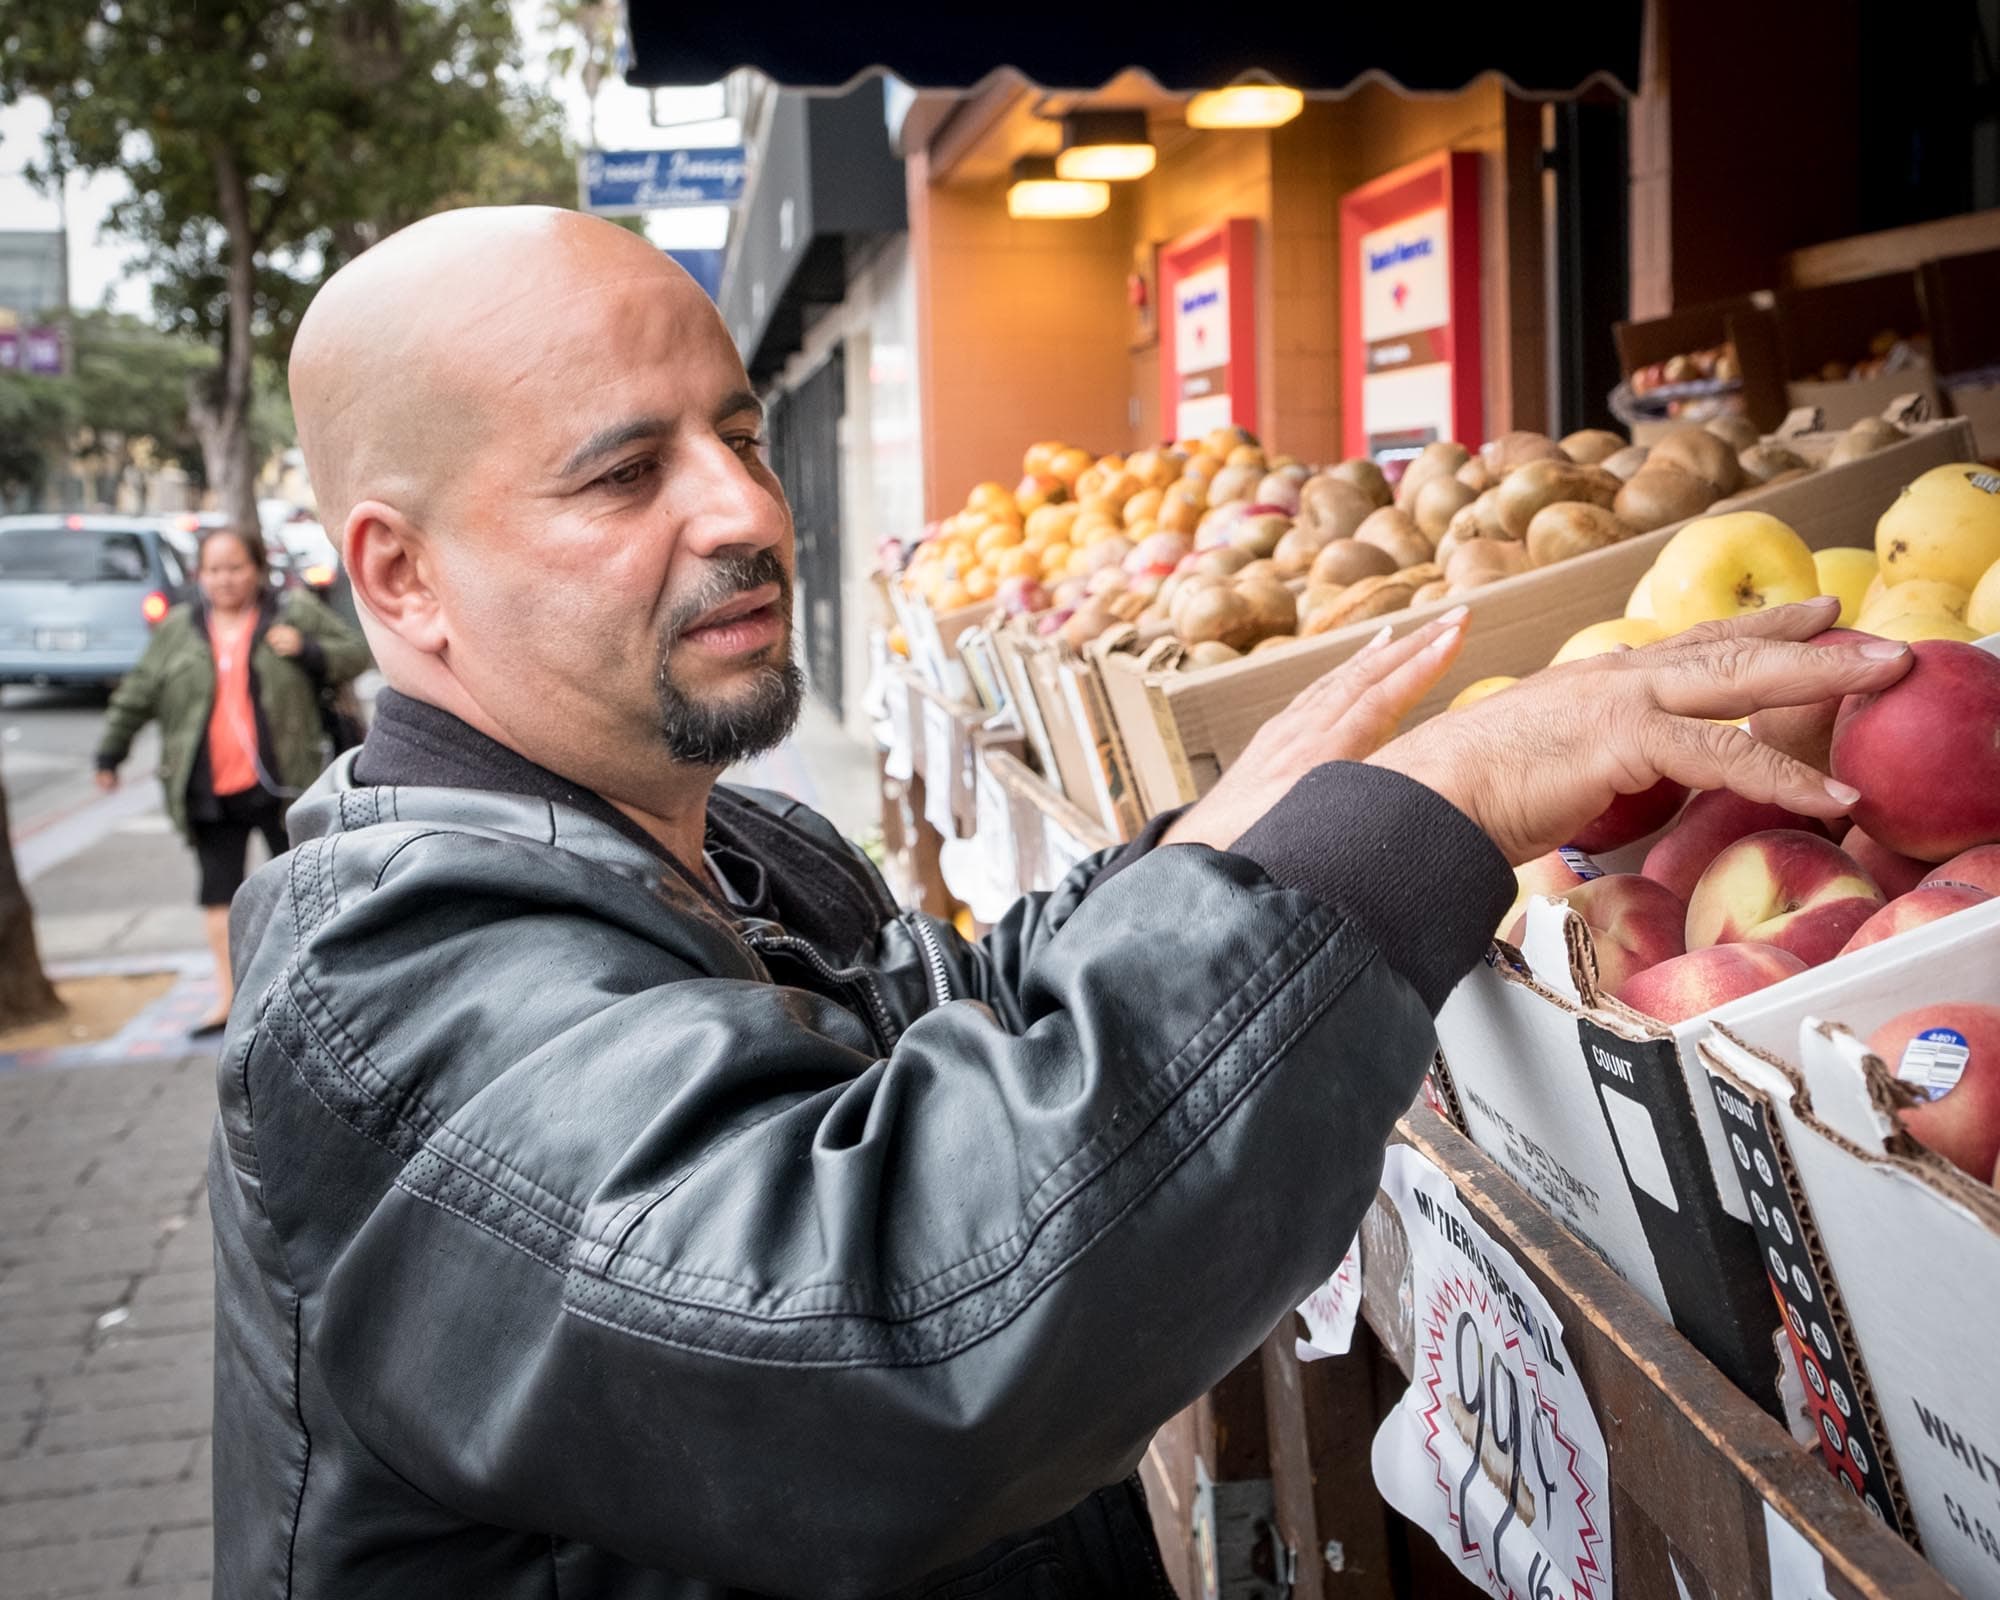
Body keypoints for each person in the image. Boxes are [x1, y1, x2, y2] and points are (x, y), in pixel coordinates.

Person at [208, 206, 1911, 1600]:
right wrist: (1419, 824)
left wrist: (1222, 860)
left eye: (737, 432)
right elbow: (882, 1333)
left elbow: (958, 1040)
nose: (745, 509)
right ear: (401, 576)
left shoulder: (730, 855)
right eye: (622, 474)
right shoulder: (398, 998)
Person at [95, 526, 370, 1034]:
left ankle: (311, 998)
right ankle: (229, 1001)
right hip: (208, 786)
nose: (224, 579)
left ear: (256, 569)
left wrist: (307, 649)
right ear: (200, 575)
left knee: (302, 891)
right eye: (214, 570)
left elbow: (358, 651)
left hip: (283, 783)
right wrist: (110, 753)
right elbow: (137, 693)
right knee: (218, 897)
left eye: (235, 567)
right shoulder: (179, 628)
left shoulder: (292, 612)